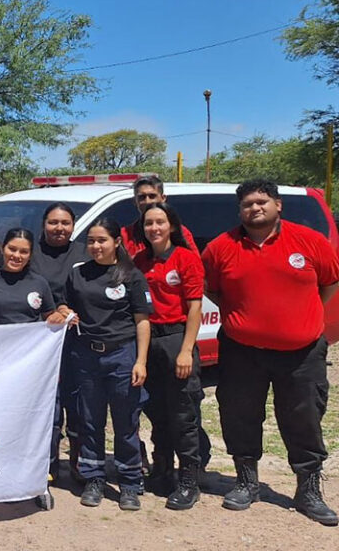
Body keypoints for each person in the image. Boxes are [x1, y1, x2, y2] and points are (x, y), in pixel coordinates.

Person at [202, 179, 339, 526]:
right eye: (247, 204)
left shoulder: (309, 241)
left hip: (302, 352)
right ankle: (247, 482)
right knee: (239, 414)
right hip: (241, 351)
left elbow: (329, 284)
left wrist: (297, 318)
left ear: (278, 205)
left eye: (261, 202)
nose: (255, 208)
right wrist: (246, 317)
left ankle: (308, 490)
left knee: (303, 418)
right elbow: (213, 290)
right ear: (240, 210)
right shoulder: (221, 247)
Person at [49, 218, 152, 511]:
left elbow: (142, 321)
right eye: (91, 241)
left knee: (126, 421)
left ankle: (130, 482)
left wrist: (141, 361)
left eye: (102, 240)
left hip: (122, 356)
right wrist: (65, 310)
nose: (95, 246)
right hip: (86, 356)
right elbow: (63, 303)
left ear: (116, 242)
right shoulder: (78, 273)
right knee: (89, 420)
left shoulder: (131, 275)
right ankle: (94, 477)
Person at [0, 228, 56, 485]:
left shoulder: (39, 283)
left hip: (31, 368)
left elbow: (49, 318)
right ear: (2, 249)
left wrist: (60, 317)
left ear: (30, 255)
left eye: (23, 252)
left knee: (30, 419)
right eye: (12, 249)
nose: (17, 255)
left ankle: (35, 476)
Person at [132, 203, 205, 510]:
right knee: (157, 410)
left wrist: (186, 350)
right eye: (148, 223)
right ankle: (162, 470)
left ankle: (189, 481)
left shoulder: (186, 258)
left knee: (183, 414)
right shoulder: (139, 261)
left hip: (176, 338)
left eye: (160, 222)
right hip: (149, 340)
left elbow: (195, 307)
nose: (154, 228)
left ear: (171, 226)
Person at [28, 202, 88, 482]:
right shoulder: (31, 252)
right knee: (46, 410)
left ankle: (79, 465)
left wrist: (70, 311)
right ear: (43, 224)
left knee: (78, 406)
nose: (59, 228)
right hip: (40, 342)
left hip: (78, 341)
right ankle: (47, 468)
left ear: (73, 225)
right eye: (53, 222)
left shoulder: (84, 252)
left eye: (65, 223)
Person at [120, 175, 198, 257]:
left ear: (163, 198)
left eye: (152, 196)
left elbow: (194, 261)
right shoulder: (124, 235)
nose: (147, 201)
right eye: (142, 197)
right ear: (134, 201)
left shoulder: (180, 231)